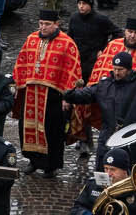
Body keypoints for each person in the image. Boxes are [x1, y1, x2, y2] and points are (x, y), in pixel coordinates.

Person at [12, 10, 83, 176]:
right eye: (41, 23)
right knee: (27, 127)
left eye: (47, 24)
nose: (43, 27)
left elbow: (72, 70)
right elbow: (21, 62)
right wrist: (18, 85)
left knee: (52, 131)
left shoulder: (67, 43)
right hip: (31, 93)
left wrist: (68, 96)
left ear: (56, 24)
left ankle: (51, 166)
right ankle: (33, 160)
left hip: (53, 96)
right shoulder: (31, 39)